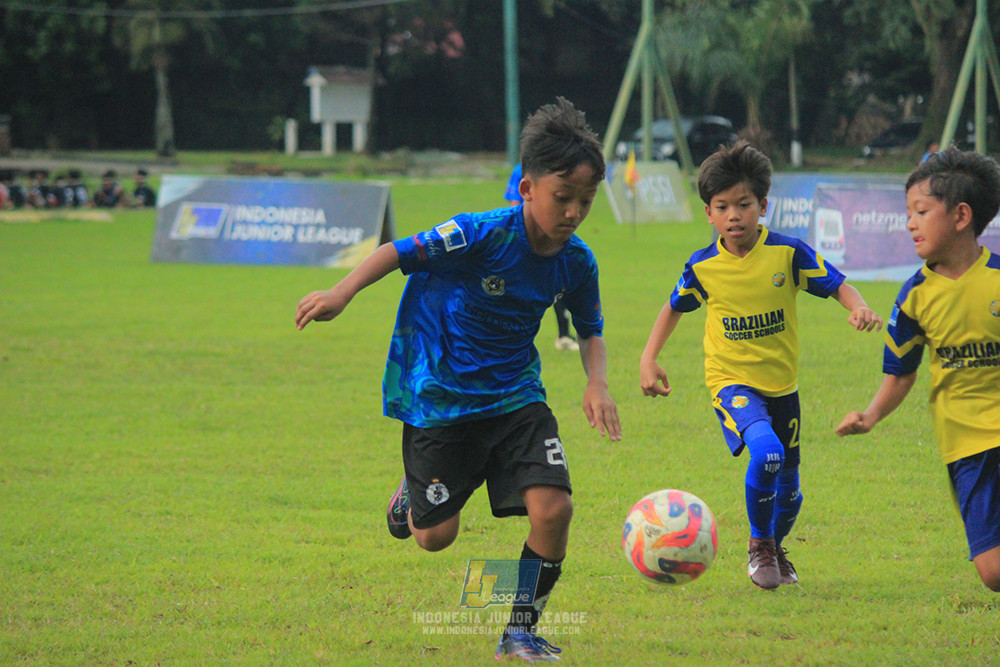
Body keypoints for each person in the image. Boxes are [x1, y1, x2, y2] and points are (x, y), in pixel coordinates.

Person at [296, 97, 621, 661]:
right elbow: (398, 251)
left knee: (554, 509)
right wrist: (340, 293)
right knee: (433, 537)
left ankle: (518, 630)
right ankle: (410, 501)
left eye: (585, 201)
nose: (572, 212)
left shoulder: (578, 262)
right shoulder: (479, 234)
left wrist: (597, 384)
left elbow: (591, 329)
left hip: (518, 398)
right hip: (443, 401)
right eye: (561, 198)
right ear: (526, 188)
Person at [639, 140, 883, 590]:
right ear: (709, 214)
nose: (735, 215)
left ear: (763, 206)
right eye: (723, 206)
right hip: (731, 383)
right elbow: (673, 307)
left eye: (744, 204)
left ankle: (774, 543)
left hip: (782, 387)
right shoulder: (703, 267)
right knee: (766, 453)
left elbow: (836, 285)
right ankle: (759, 546)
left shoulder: (788, 254)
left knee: (790, 495)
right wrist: (648, 357)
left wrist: (860, 306)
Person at [836, 148, 1000, 592]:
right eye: (908, 212)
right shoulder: (913, 297)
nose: (909, 222)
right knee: (992, 572)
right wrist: (870, 416)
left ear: (961, 216)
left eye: (921, 211)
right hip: (965, 443)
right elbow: (901, 371)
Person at [506, 162, 580, 352]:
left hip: (549, 239)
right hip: (523, 242)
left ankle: (564, 334)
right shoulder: (521, 170)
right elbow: (514, 204)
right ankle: (509, 338)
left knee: (556, 286)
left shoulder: (557, 170)